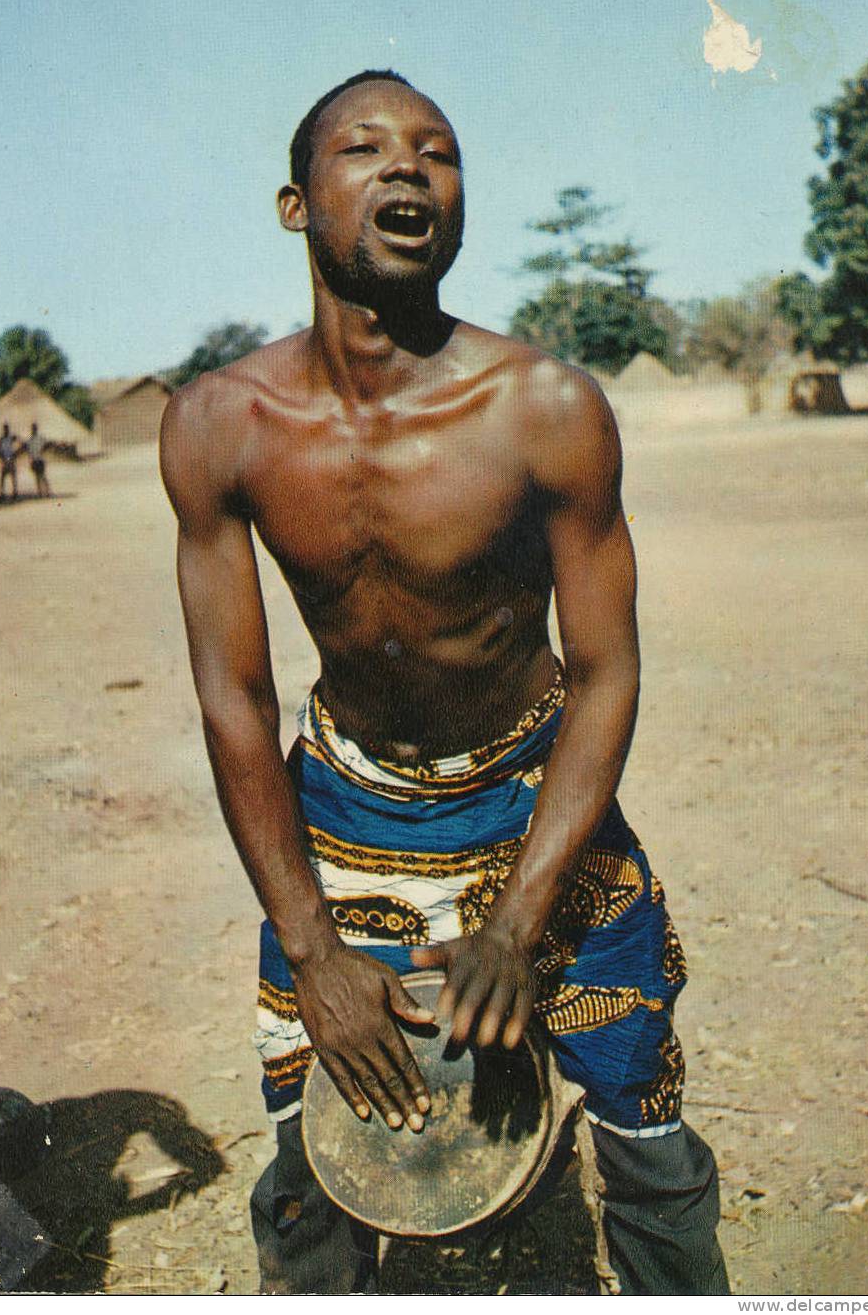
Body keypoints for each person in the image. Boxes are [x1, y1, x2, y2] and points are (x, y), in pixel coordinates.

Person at [161, 70, 729, 1296]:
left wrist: (524, 920)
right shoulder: (221, 422)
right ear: (295, 204)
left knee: (643, 1124)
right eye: (365, 148)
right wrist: (311, 948)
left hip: (533, 798)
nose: (409, 167)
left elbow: (608, 668)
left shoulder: (544, 407)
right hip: (346, 810)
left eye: (439, 151)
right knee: (316, 1152)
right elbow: (233, 699)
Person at [0, 423, 19, 500]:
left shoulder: (10, 438)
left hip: (10, 459)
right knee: (3, 477)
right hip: (5, 459)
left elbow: (19, 441)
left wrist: (15, 453)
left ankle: (14, 492)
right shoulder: (2, 439)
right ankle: (2, 493)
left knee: (12, 477)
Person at [25, 422, 50, 498]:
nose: (33, 430)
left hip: (40, 459)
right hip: (34, 460)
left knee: (42, 476)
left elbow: (47, 444)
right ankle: (40, 492)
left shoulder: (40, 438)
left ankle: (47, 491)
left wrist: (42, 450)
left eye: (34, 428)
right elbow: (28, 449)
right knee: (37, 477)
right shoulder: (30, 439)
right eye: (33, 428)